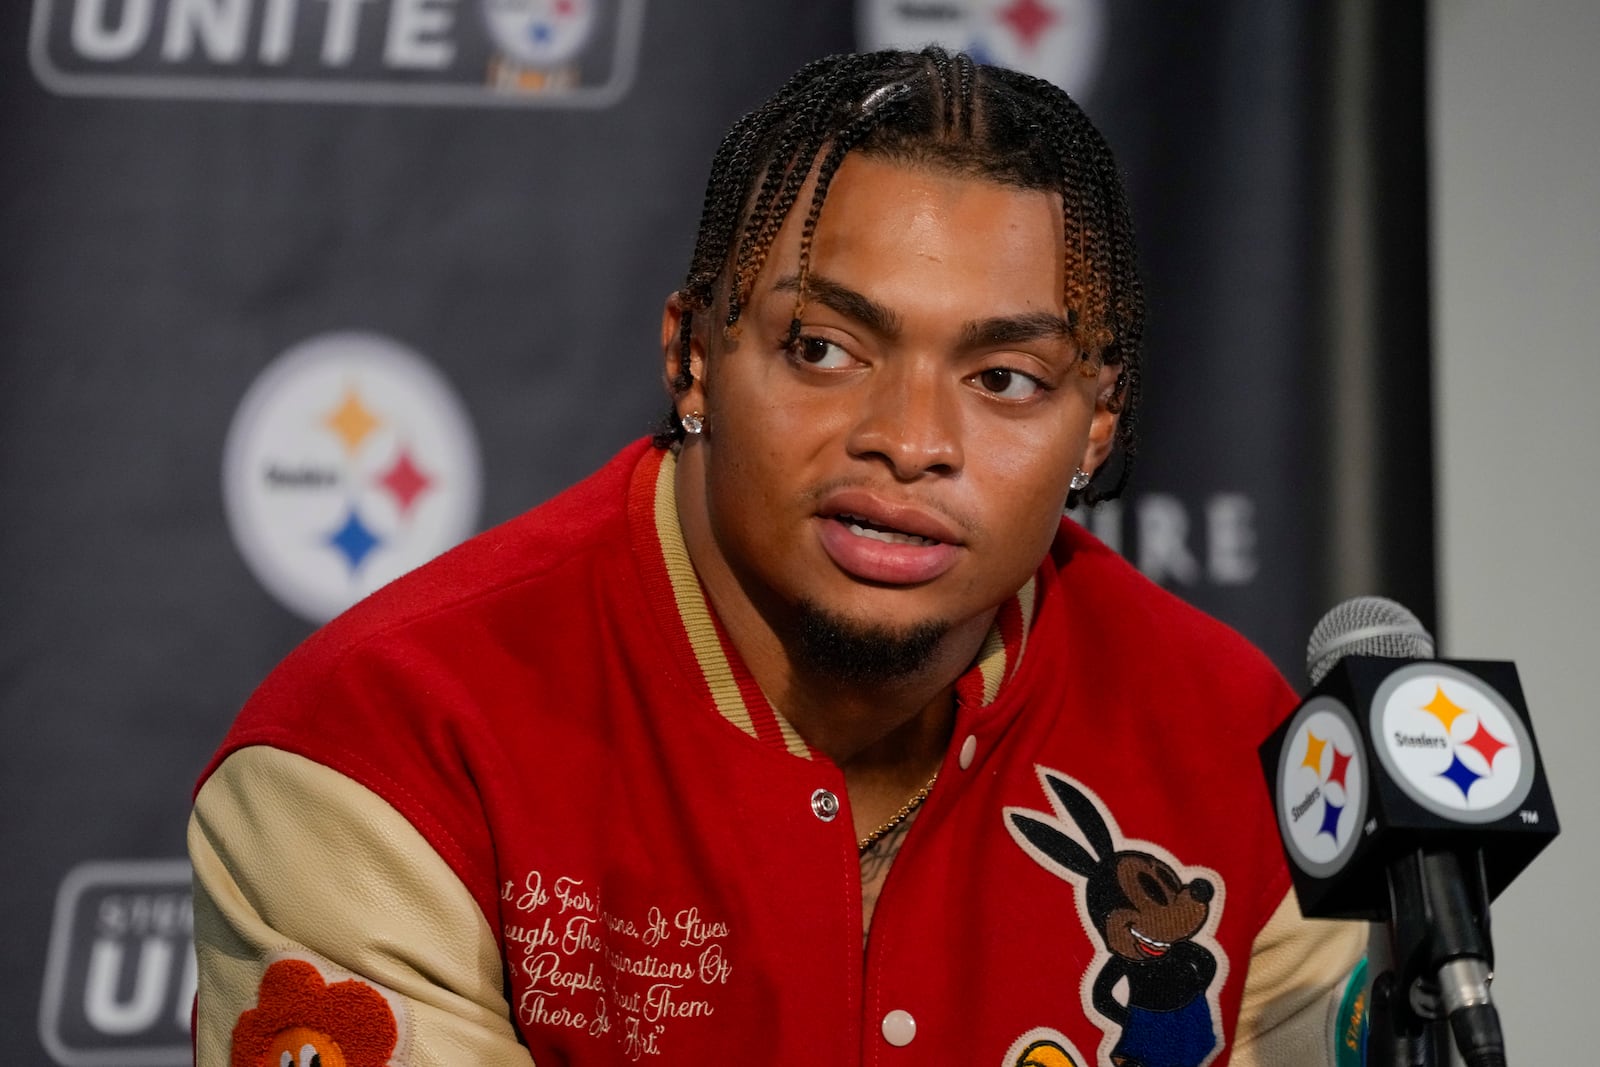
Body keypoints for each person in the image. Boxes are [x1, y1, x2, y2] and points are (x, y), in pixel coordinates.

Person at [190, 48, 1367, 1066]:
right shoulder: (386, 744)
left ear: (1095, 427)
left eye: (1004, 379)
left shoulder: (1239, 758)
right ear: (692, 356)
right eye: (822, 346)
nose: (910, 441)